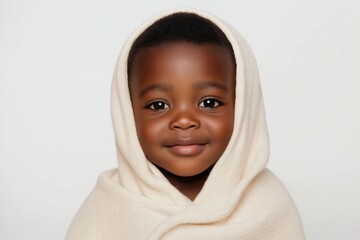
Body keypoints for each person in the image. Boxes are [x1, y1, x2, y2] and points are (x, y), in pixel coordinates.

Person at [65, 9, 305, 240]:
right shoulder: (106, 209)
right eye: (158, 105)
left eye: (209, 102)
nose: (184, 121)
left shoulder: (268, 205)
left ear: (243, 107)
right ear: (126, 113)